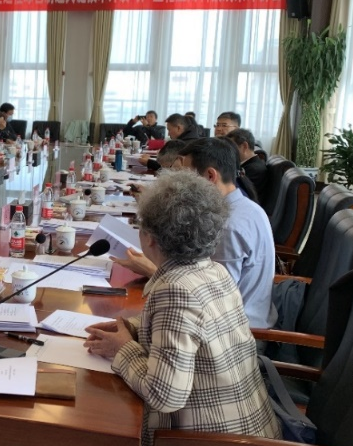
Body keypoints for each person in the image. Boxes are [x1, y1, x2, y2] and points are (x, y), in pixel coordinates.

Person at [79, 169, 280, 446]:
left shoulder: (175, 289)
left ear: (150, 238)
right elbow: (192, 337)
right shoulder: (211, 270)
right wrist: (132, 332)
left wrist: (123, 351)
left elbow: (165, 395)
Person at [117, 137, 277, 329]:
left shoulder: (227, 225)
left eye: (185, 177)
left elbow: (213, 300)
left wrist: (153, 269)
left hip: (236, 330)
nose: (179, 184)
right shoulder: (247, 207)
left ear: (210, 176)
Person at [225, 128, 267, 200]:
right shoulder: (248, 165)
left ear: (244, 146)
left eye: (231, 148)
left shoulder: (254, 170)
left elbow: (238, 194)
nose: (228, 152)